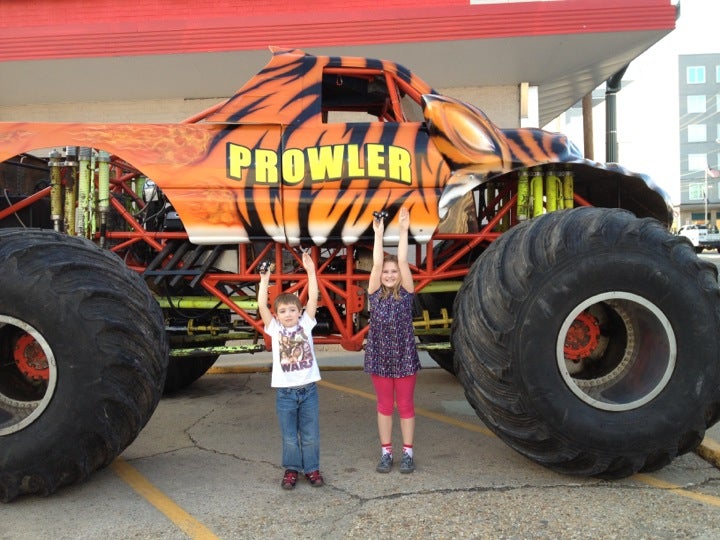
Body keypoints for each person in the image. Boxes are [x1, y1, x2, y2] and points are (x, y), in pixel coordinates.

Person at [258, 251, 324, 490]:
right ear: (277, 315)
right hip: (285, 393)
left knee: (310, 435)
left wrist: (311, 272)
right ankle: (291, 469)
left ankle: (312, 468)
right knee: (289, 436)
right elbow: (262, 305)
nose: (288, 314)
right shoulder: (274, 329)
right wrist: (265, 279)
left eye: (292, 310)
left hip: (308, 391)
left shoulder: (306, 324)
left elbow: (313, 297)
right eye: (283, 311)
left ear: (300, 311)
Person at [364, 207, 422, 474]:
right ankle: (386, 452)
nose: (389, 274)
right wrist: (378, 233)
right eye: (386, 272)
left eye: (393, 272)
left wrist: (403, 230)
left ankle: (407, 453)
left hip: (405, 357)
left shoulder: (407, 292)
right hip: (380, 358)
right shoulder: (374, 293)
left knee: (406, 406)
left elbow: (402, 260)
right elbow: (377, 264)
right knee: (384, 406)